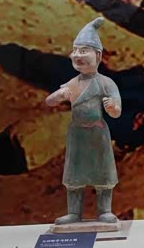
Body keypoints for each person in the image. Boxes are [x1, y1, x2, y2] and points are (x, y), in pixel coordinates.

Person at [45, 17, 122, 225]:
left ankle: (104, 211)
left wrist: (112, 107)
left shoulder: (106, 83)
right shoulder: (72, 83)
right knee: (74, 176)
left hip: (98, 133)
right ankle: (74, 213)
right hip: (77, 134)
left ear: (98, 55)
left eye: (84, 51)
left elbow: (117, 112)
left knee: (103, 175)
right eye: (75, 51)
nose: (77, 55)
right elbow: (50, 101)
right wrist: (58, 96)